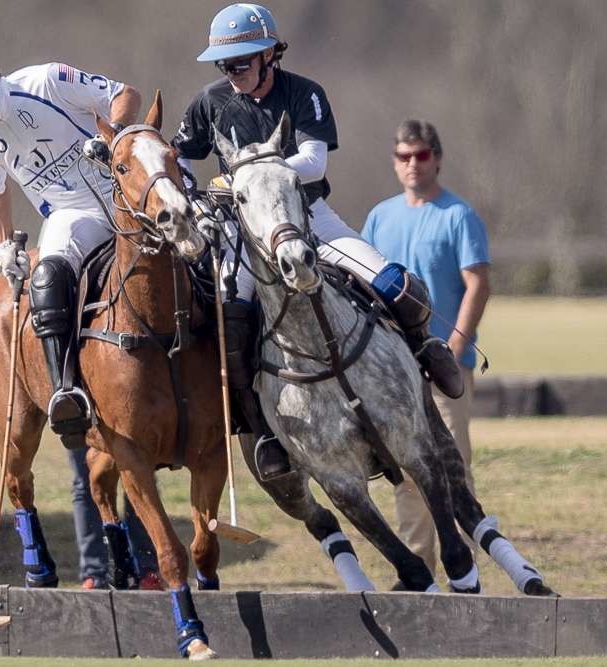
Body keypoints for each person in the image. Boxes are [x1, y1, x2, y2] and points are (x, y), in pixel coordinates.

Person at [172, 4, 464, 481]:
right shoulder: (209, 102)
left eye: (241, 63)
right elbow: (180, 158)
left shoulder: (304, 94)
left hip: (309, 214)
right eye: (225, 65)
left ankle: (426, 349)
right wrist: (194, 197)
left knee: (394, 282)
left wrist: (251, 173)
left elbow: (313, 161)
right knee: (233, 318)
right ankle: (260, 427)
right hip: (245, 228)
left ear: (269, 54)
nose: (233, 74)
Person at [0, 49, 160, 589]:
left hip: (127, 192)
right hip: (74, 215)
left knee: (203, 256)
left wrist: (113, 133)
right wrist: (3, 247)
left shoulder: (48, 82)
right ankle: (68, 391)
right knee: (49, 276)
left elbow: (125, 92)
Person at [362, 119, 491, 580]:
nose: (412, 164)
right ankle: (418, 572)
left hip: (445, 367)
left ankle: (467, 573)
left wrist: (455, 346)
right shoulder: (379, 217)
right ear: (395, 162)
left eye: (420, 155)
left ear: (437, 157)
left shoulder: (459, 215)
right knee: (406, 471)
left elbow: (477, 283)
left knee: (453, 468)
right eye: (403, 156)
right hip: (394, 369)